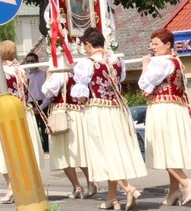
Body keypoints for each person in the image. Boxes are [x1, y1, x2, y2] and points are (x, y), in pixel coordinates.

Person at [72, 27, 146, 210]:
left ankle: (128, 188)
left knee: (102, 154)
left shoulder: (86, 64)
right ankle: (112, 198)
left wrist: (82, 99)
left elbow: (80, 95)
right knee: (114, 152)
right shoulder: (117, 61)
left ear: (88, 44)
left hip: (98, 111)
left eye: (85, 46)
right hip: (117, 111)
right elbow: (119, 82)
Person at [0, 40, 44, 204]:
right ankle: (24, 185)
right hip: (24, 114)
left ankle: (11, 187)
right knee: (23, 149)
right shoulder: (21, 71)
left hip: (6, 115)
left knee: (3, 150)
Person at [138, 28, 191, 206]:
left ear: (167, 44)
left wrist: (145, 64)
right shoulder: (176, 60)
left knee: (162, 149)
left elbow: (144, 82)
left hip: (162, 108)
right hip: (175, 108)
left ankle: (186, 183)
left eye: (156, 44)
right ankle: (174, 191)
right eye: (151, 44)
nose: (152, 47)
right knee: (171, 149)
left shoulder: (161, 62)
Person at [41, 54, 94, 199]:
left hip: (62, 114)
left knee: (62, 154)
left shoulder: (58, 74)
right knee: (79, 151)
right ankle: (90, 183)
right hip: (77, 113)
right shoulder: (76, 73)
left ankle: (77, 186)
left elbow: (47, 91)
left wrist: (48, 76)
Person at [24, 52, 50, 153]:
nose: (30, 63)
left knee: (45, 128)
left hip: (42, 103)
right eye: (28, 61)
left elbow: (48, 93)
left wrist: (41, 106)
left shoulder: (44, 74)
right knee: (32, 128)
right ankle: (35, 150)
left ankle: (47, 148)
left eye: (32, 61)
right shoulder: (25, 76)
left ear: (37, 61)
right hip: (30, 104)